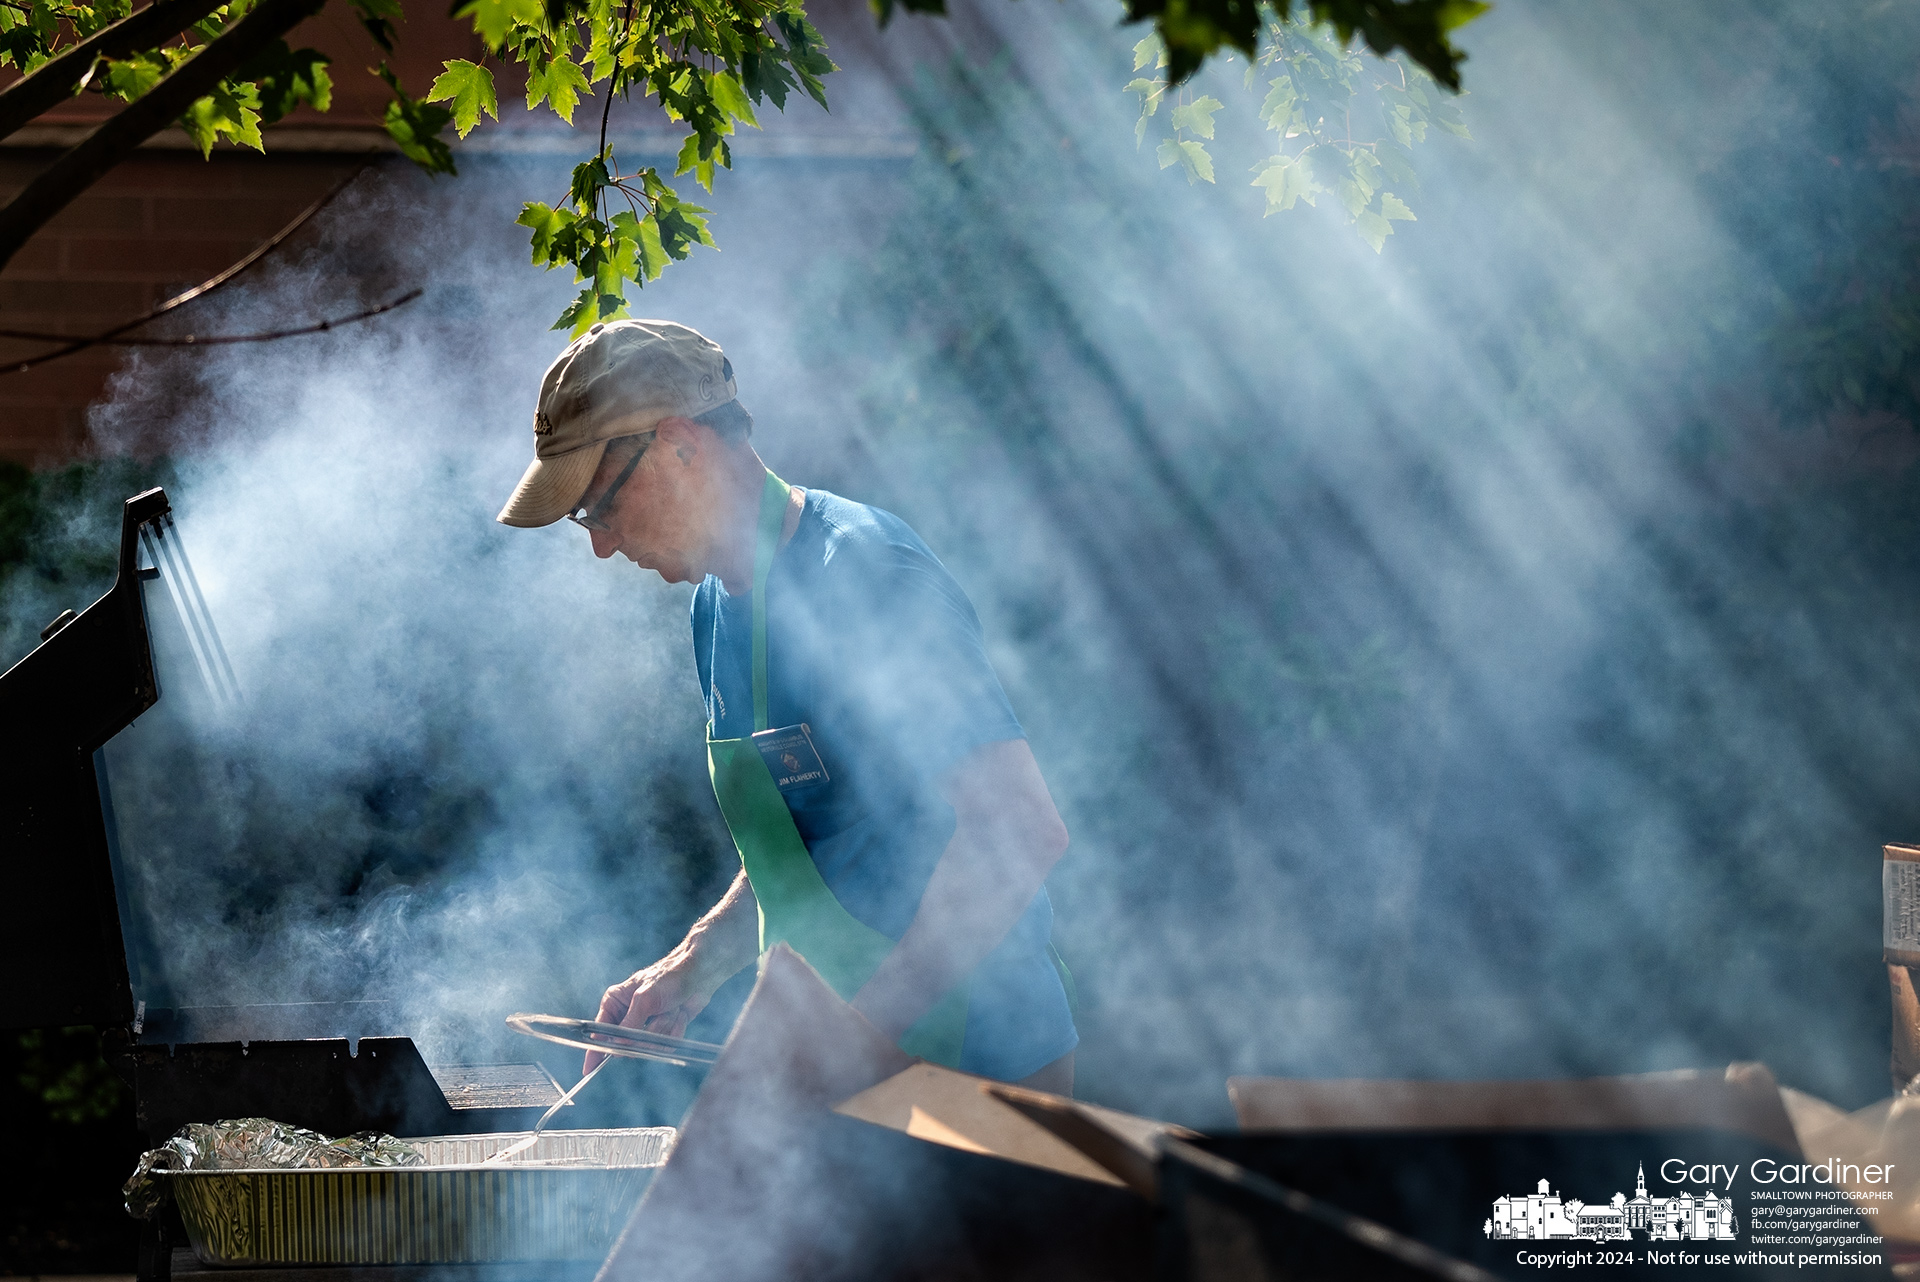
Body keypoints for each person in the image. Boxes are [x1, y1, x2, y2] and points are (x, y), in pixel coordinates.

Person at [497, 319, 1078, 1092]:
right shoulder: (713, 605)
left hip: (980, 1077)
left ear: (679, 444)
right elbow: (805, 855)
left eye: (599, 505)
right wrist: (692, 964)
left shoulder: (866, 574)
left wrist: (865, 1028)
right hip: (843, 1079)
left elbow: (1018, 828)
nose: (601, 546)